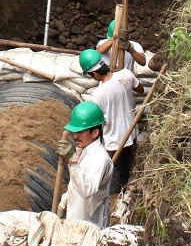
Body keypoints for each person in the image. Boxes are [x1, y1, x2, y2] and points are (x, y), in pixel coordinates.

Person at [80, 49, 145, 195]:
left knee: (113, 177)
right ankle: (126, 195)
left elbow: (97, 122)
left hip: (114, 142)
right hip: (131, 134)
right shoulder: (126, 74)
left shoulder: (98, 94)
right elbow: (141, 90)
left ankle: (113, 201)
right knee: (126, 169)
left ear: (95, 74)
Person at [56, 102, 113, 227]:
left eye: (80, 132)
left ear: (95, 133)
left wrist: (72, 160)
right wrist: (62, 205)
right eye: (74, 132)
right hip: (75, 220)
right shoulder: (82, 150)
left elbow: (86, 190)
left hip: (91, 225)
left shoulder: (100, 158)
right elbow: (74, 184)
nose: (75, 136)